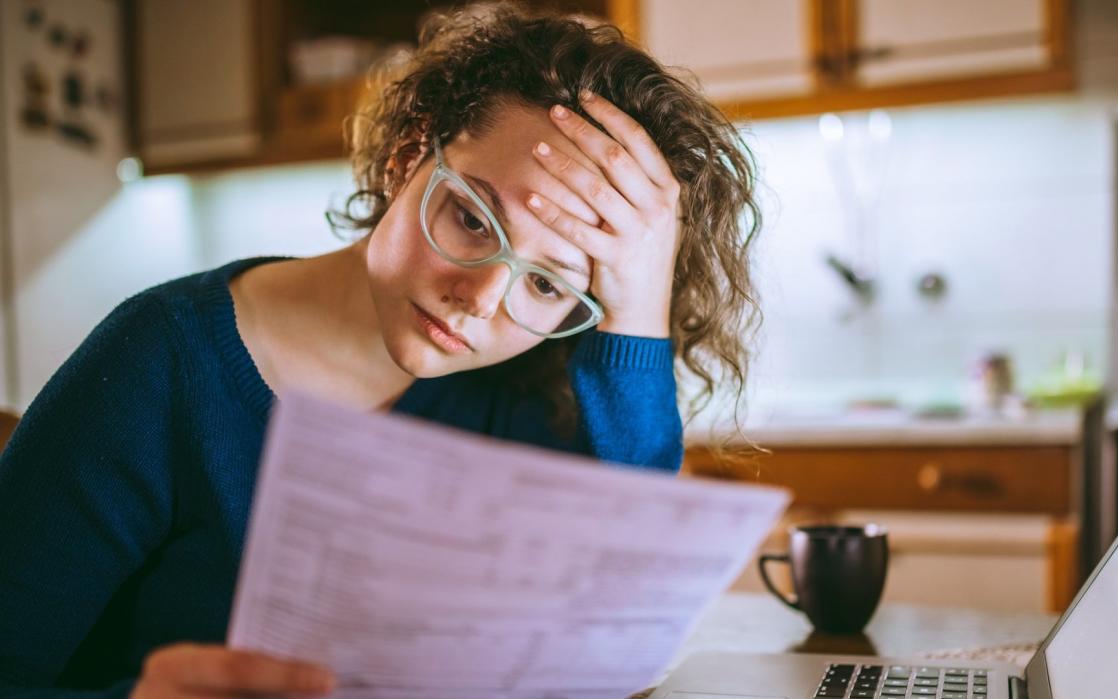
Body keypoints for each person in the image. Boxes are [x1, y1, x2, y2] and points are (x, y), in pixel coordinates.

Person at [0, 4, 761, 698]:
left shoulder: (529, 394)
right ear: (405, 157)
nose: (481, 300)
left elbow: (625, 610)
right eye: (469, 218)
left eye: (547, 286)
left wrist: (636, 314)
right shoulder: (158, 363)